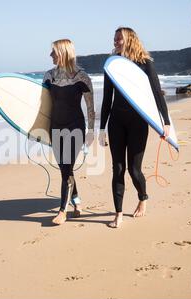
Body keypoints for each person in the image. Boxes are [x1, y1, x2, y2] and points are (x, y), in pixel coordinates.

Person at [99, 27, 171, 228]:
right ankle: (118, 213)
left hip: (138, 122)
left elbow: (157, 93)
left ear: (129, 40)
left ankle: (143, 197)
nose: (115, 42)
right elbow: (106, 98)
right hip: (116, 121)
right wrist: (102, 128)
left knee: (134, 169)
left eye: (119, 38)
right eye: (114, 38)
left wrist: (165, 122)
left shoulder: (145, 63)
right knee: (118, 168)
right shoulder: (112, 65)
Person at [43, 39, 95, 225]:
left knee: (66, 167)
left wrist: (91, 132)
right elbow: (43, 106)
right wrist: (37, 128)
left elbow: (90, 107)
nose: (50, 56)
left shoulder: (82, 77)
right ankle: (77, 202)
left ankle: (62, 211)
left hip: (75, 127)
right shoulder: (48, 76)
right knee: (66, 169)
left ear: (63, 53)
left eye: (54, 52)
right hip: (55, 126)